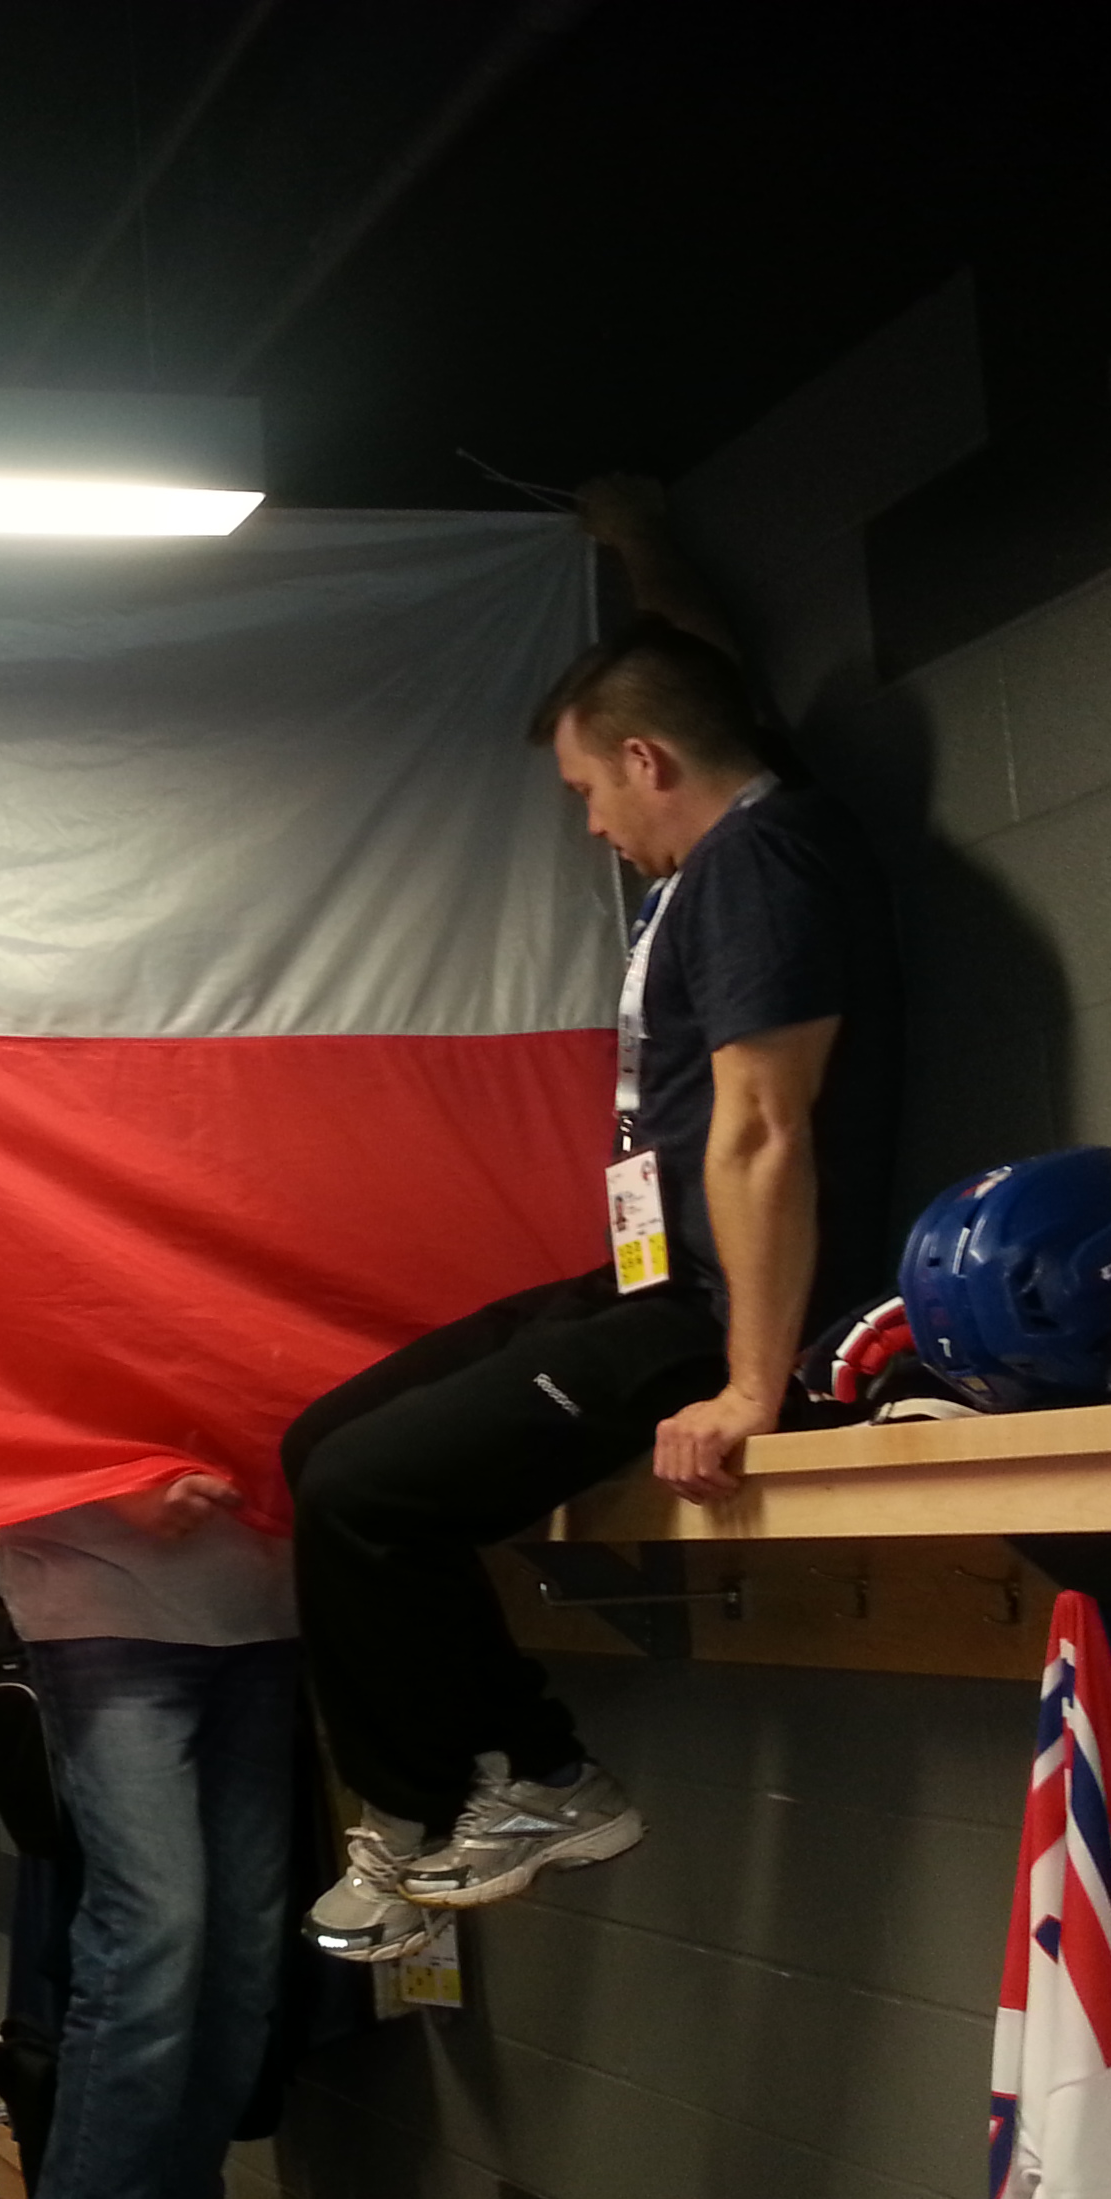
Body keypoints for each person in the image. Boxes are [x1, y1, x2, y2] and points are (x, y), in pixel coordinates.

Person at [291, 578, 902, 1965]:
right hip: (646, 1277)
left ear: (646, 760)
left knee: (365, 1493)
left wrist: (752, 1385)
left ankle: (521, 1781)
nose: (591, 825)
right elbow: (707, 688)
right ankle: (464, 1791)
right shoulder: (734, 835)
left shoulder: (763, 864)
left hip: (717, 1306)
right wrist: (643, 550)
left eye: (587, 790)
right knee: (321, 1443)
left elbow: (766, 1124)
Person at [0, 1470, 329, 2199]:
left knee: (241, 1965)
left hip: (261, 1609)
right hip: (102, 1599)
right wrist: (113, 1486)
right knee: (151, 1943)